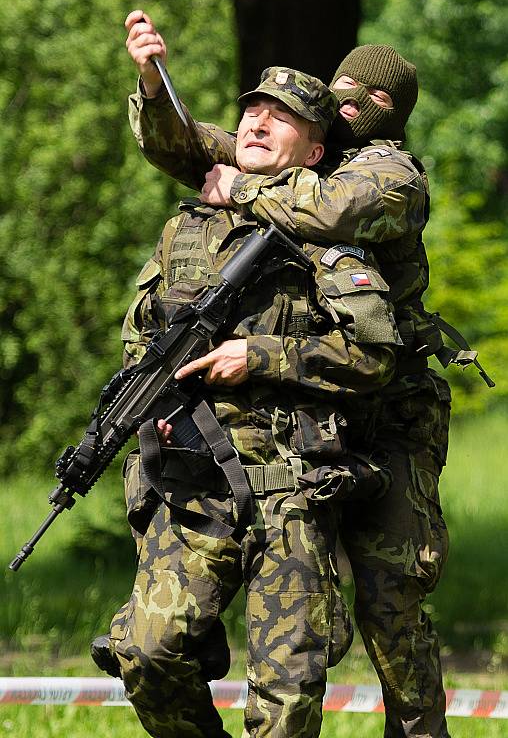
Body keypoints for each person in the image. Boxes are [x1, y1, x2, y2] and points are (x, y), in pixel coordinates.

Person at [121, 10, 478, 738]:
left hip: (391, 417)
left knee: (391, 602)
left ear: (386, 115)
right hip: (290, 429)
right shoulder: (299, 148)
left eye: (362, 103)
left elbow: (335, 209)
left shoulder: (387, 173)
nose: (347, 108)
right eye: (337, 95)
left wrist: (242, 189)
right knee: (178, 646)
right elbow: (190, 145)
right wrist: (153, 80)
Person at [103, 67, 404, 738]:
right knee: (146, 655)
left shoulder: (326, 233)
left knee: (286, 700)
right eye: (253, 111)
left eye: (283, 118)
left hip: (290, 495)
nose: (259, 124)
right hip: (194, 490)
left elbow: (375, 355)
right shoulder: (187, 229)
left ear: (314, 152)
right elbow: (142, 332)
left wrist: (263, 356)